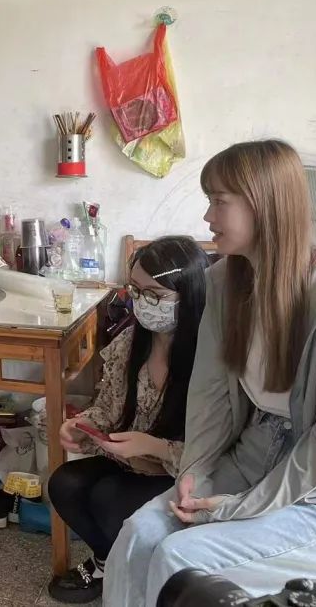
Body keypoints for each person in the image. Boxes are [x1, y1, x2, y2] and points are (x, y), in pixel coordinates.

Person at [105, 140, 316, 607]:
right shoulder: (224, 281)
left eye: (219, 201)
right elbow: (211, 394)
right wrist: (194, 469)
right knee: (138, 536)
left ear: (265, 205)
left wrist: (238, 508)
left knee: (180, 559)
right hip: (256, 453)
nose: (207, 217)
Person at [47, 236, 211, 603]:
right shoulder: (132, 341)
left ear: (190, 295)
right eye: (135, 290)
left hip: (186, 471)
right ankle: (109, 561)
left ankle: (139, 574)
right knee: (64, 483)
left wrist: (155, 446)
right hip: (132, 460)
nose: (142, 302)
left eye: (155, 295)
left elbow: (217, 450)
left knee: (108, 498)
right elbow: (109, 409)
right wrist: (82, 426)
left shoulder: (211, 358)